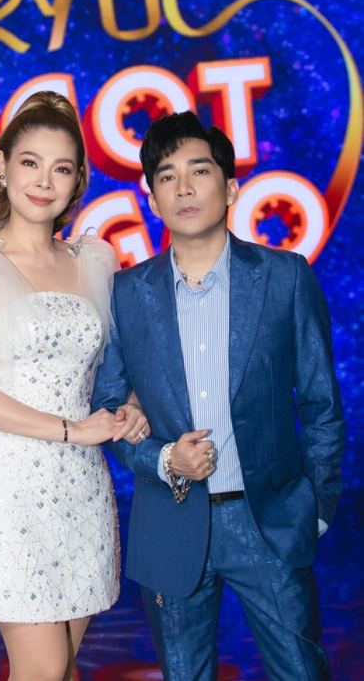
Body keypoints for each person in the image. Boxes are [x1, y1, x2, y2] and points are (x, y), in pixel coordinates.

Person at [92, 111, 344, 679]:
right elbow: (109, 409)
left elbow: (322, 403)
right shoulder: (127, 294)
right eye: (166, 176)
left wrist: (318, 507)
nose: (183, 187)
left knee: (301, 670)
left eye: (199, 171)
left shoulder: (285, 277)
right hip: (171, 521)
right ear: (152, 198)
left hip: (269, 520)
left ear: (229, 188)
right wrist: (164, 459)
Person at [0, 90, 150, 681]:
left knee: (62, 669)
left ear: (77, 181)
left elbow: (115, 368)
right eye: (30, 163)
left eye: (61, 168)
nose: (44, 181)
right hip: (4, 482)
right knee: (42, 669)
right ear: (1, 166)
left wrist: (131, 405)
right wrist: (74, 431)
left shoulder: (95, 261)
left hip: (80, 487)